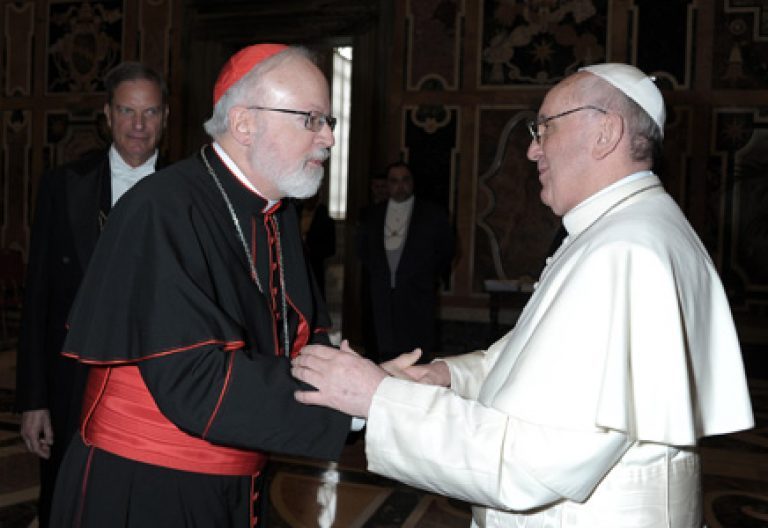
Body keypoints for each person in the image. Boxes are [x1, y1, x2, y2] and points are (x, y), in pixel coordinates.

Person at [292, 63, 755, 527]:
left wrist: (376, 398)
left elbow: (531, 462)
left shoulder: (625, 250)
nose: (533, 150)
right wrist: (450, 375)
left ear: (605, 133)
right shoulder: (624, 230)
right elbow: (531, 357)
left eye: (545, 128)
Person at [49, 43, 351, 527]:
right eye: (311, 119)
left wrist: (366, 379)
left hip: (236, 478)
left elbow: (298, 334)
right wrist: (354, 404)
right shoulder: (161, 210)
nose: (328, 138)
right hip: (145, 485)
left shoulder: (278, 213)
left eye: (328, 122)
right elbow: (197, 384)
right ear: (244, 123)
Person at [14, 61, 169, 528]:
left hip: (160, 386)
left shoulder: (193, 191)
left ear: (165, 117)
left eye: (150, 113)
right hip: (73, 385)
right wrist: (33, 399)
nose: (138, 126)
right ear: (107, 114)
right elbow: (37, 297)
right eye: (127, 111)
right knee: (67, 502)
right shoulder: (63, 186)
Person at [357, 161, 455, 362]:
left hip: (417, 293)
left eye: (405, 180)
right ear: (388, 184)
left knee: (415, 356)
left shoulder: (432, 214)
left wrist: (426, 275)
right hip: (382, 295)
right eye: (394, 181)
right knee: (382, 354)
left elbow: (447, 250)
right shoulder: (372, 214)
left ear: (412, 182)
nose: (400, 185)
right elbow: (363, 251)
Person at [297, 193, 336, 300]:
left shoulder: (325, 219)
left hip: (315, 266)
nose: (308, 200)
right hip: (296, 265)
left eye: (312, 197)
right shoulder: (294, 213)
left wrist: (311, 250)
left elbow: (330, 249)